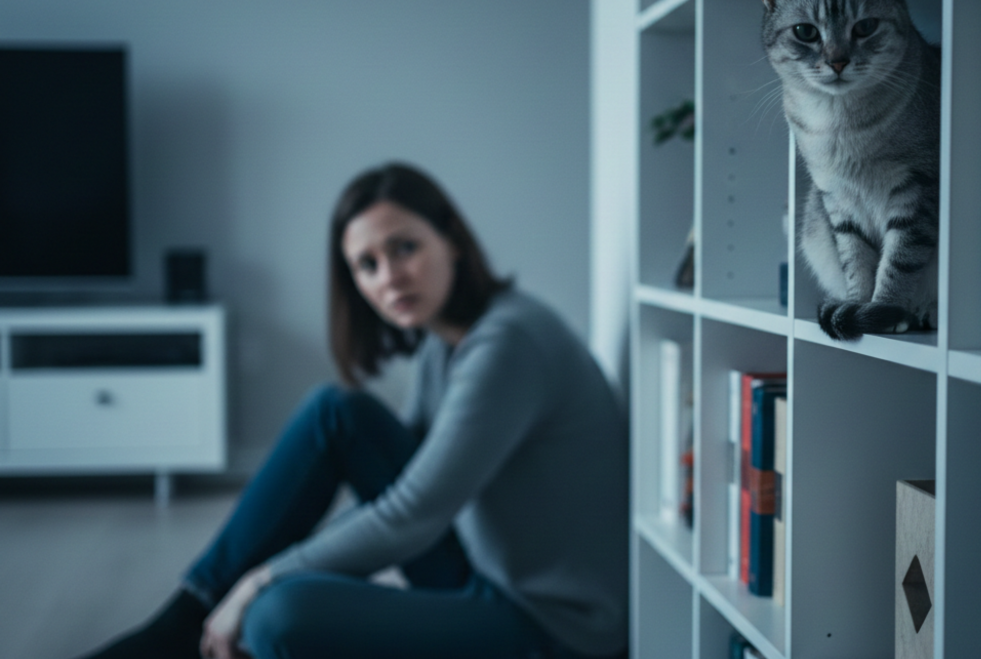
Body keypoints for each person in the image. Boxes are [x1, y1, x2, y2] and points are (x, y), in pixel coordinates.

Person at [75, 162, 629, 659]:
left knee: (277, 615)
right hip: (485, 567)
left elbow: (412, 514)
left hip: (550, 624)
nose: (388, 277)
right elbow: (402, 482)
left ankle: (185, 629)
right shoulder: (446, 341)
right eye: (367, 265)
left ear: (451, 241)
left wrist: (260, 582)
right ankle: (184, 622)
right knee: (336, 412)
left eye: (404, 248)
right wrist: (287, 567)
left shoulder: (508, 345)